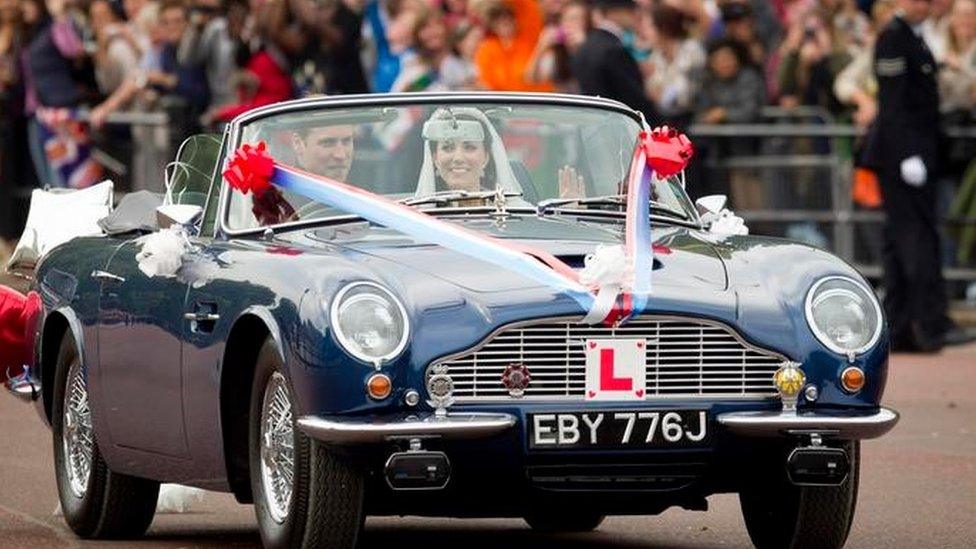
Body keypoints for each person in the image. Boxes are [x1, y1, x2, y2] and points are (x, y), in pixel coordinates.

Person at [862, 0, 975, 350]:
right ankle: (930, 323)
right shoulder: (894, 38)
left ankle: (899, 327)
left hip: (915, 152)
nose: (925, 5)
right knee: (917, 241)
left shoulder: (914, 36)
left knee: (899, 244)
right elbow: (893, 105)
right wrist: (907, 154)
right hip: (903, 156)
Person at [571, 0, 661, 124]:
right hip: (617, 128)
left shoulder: (586, 47)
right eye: (630, 10)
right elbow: (634, 99)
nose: (636, 14)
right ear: (614, 12)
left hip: (592, 127)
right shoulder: (613, 49)